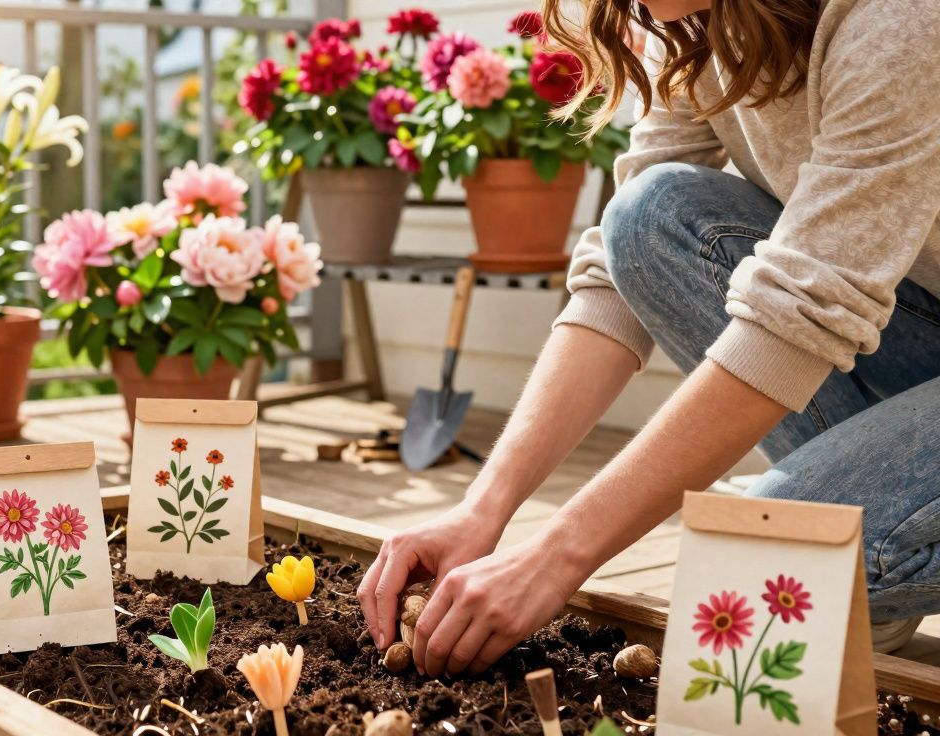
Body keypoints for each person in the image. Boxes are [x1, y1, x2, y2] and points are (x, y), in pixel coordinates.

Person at [357, 0, 940, 678]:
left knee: (763, 551)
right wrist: (482, 510)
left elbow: (800, 317)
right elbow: (617, 271)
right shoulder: (694, 21)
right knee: (650, 213)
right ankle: (878, 545)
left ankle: (873, 542)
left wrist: (554, 558)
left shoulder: (899, 18)